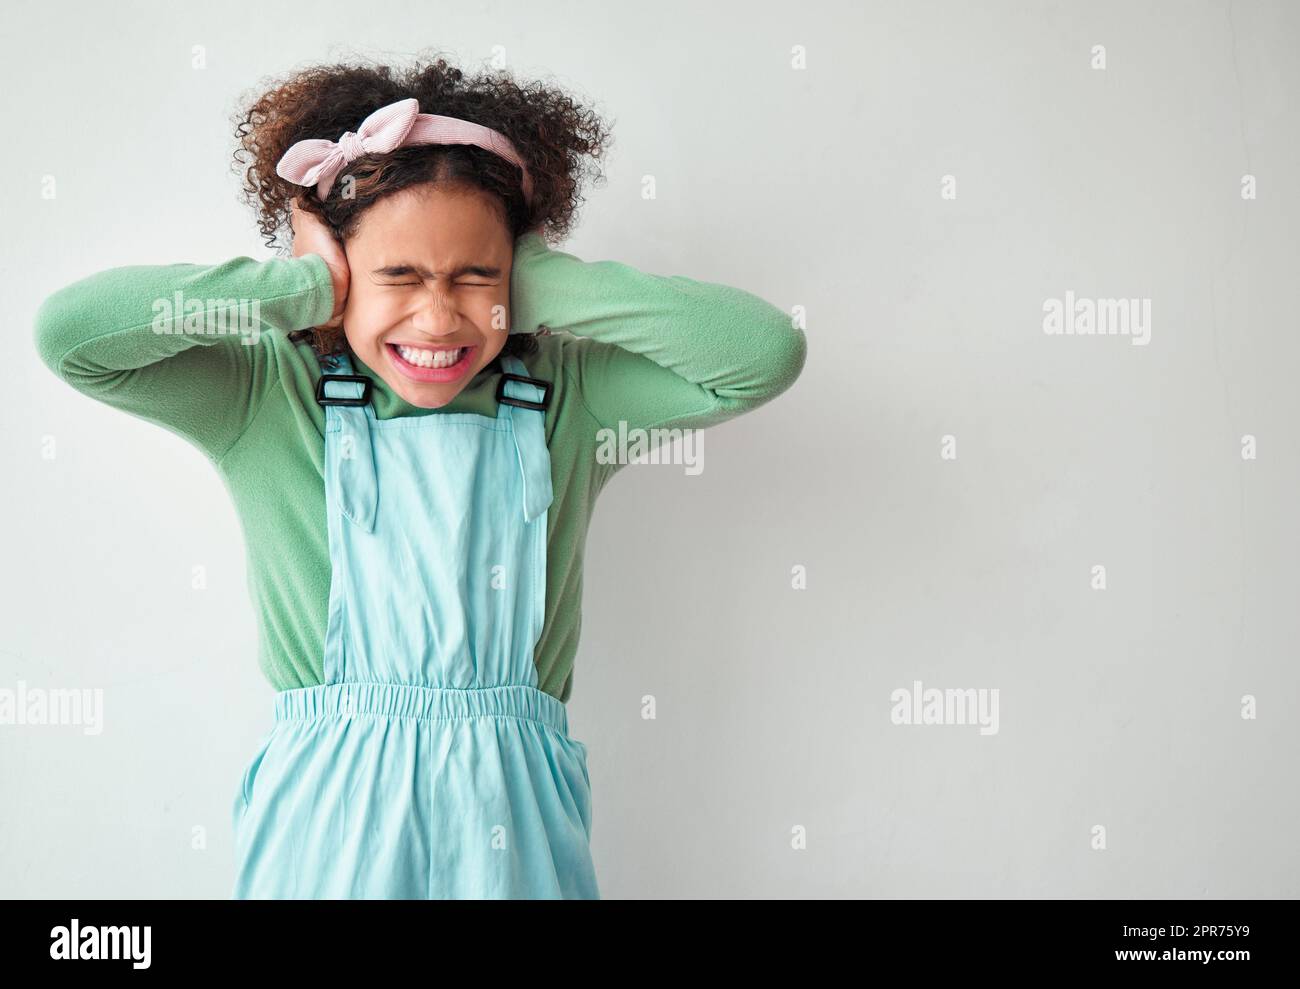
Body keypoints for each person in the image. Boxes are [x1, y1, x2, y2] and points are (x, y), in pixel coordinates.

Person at [32, 55, 808, 899]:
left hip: (518, 828)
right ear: (341, 278)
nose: (439, 317)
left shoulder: (567, 399)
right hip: (327, 825)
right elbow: (72, 336)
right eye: (395, 276)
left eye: (477, 276)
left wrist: (546, 281)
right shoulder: (266, 397)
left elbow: (762, 354)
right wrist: (302, 284)